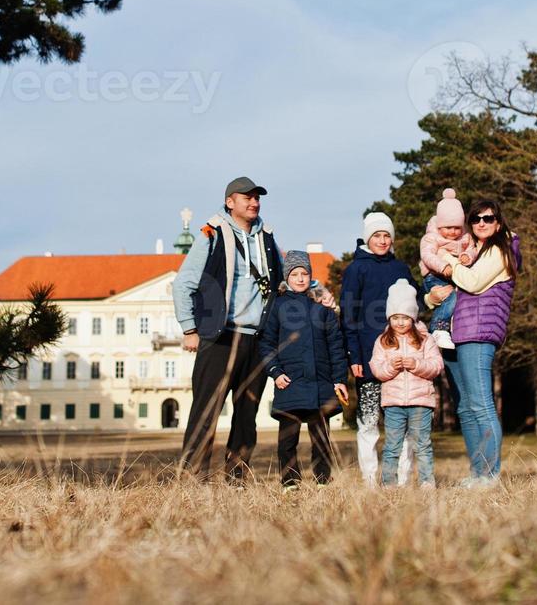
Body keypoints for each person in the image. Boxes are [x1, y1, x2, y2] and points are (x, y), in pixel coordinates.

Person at [173, 176, 284, 484]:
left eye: (257, 197)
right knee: (206, 411)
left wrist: (316, 291)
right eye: (246, 197)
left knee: (247, 416)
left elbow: (285, 279)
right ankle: (193, 479)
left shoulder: (268, 238)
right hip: (220, 337)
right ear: (229, 202)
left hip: (257, 339)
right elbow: (184, 284)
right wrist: (189, 329)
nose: (254, 202)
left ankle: (237, 479)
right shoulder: (212, 235)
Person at [434, 199, 519, 487]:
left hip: (478, 333)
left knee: (481, 405)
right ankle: (477, 472)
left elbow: (472, 283)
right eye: (476, 219)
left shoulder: (501, 249)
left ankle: (490, 475)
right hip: (456, 335)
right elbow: (451, 292)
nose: (482, 223)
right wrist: (430, 298)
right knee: (465, 408)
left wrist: (447, 260)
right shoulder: (475, 250)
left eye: (488, 218)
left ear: (499, 222)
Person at [257, 251, 350, 490]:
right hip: (290, 382)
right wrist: (275, 372)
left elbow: (336, 346)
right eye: (295, 274)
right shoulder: (277, 306)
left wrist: (339, 379)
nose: (300, 278)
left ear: (311, 276)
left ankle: (322, 480)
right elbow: (266, 343)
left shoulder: (322, 308)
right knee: (288, 439)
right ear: (287, 277)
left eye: (304, 273)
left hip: (320, 383)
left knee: (321, 438)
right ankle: (290, 482)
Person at [339, 211, 416, 486]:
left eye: (387, 236)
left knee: (401, 424)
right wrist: (354, 355)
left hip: (401, 359)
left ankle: (400, 479)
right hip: (369, 359)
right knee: (369, 422)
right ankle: (371, 480)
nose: (382, 241)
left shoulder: (401, 269)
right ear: (367, 238)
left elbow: (414, 312)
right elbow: (348, 315)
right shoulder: (356, 269)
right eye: (377, 236)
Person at [367, 282, 443, 488]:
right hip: (393, 404)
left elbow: (437, 366)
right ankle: (389, 484)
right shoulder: (382, 341)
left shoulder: (425, 340)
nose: (400, 323)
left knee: (423, 445)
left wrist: (417, 364)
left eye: (405, 318)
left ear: (413, 317)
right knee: (392, 445)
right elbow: (377, 369)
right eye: (395, 318)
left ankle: (427, 483)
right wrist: (391, 366)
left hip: (421, 402)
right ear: (389, 318)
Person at [419, 188, 474, 351]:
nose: (453, 232)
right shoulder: (431, 237)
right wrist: (443, 266)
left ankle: (446, 328)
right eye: (448, 228)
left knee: (456, 299)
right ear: (440, 225)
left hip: (453, 276)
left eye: (457, 228)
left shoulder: (465, 237)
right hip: (434, 275)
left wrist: (467, 256)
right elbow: (427, 255)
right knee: (450, 297)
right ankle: (438, 327)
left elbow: (473, 248)